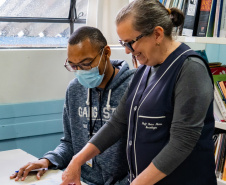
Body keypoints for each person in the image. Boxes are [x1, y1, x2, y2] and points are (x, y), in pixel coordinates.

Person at [59, 1, 217, 185]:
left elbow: (182, 142)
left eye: (130, 42)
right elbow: (117, 122)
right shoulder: (144, 70)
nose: (127, 50)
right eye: (123, 43)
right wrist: (77, 160)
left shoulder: (190, 69)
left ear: (157, 34)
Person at [10, 26, 135, 185]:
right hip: (80, 180)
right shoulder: (75, 89)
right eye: (73, 66)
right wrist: (48, 160)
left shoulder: (133, 87)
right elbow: (69, 143)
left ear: (107, 53)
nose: (80, 71)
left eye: (86, 63)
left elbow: (141, 156)